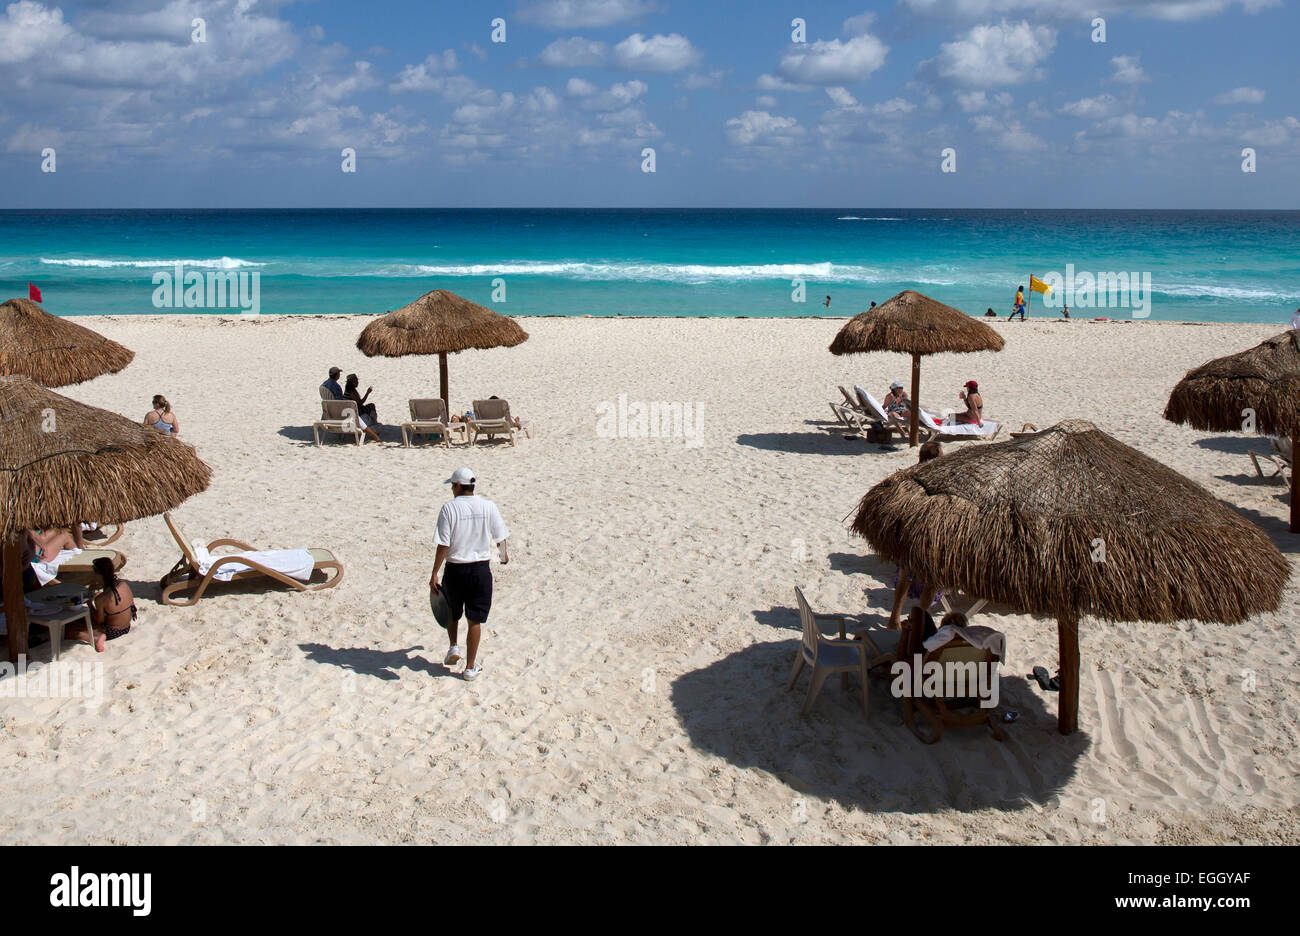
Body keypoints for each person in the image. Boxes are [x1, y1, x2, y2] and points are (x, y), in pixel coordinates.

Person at [430, 467, 510, 681]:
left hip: (455, 568)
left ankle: (453, 646)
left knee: (451, 612)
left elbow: (443, 544)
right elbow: (500, 537)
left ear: (456, 486)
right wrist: (503, 557)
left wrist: (434, 573)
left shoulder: (448, 509)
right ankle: (470, 667)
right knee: (475, 620)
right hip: (480, 569)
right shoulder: (488, 506)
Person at [67, 556, 135, 651]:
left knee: (70, 630)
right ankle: (99, 636)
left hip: (112, 631)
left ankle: (96, 639)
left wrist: (90, 603)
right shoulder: (123, 584)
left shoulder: (101, 598)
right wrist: (101, 586)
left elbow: (99, 621)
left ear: (98, 574)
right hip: (126, 626)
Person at [340, 373, 382, 443]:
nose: (358, 382)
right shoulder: (352, 393)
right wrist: (367, 393)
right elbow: (361, 402)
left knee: (370, 406)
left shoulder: (347, 391)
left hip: (350, 412)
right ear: (352, 382)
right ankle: (374, 424)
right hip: (356, 413)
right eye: (356, 381)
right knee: (371, 406)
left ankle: (374, 423)